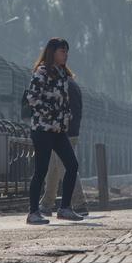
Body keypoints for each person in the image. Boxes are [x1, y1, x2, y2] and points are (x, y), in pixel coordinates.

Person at [25, 38, 84, 225]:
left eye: (66, 52)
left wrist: (66, 117)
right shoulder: (42, 72)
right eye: (62, 52)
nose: (65, 55)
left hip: (58, 130)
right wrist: (51, 113)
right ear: (53, 53)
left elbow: (64, 102)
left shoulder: (61, 74)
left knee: (72, 165)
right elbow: (32, 99)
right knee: (41, 170)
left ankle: (65, 208)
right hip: (43, 129)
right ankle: (33, 212)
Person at [38, 75, 90, 217]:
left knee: (65, 167)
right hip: (68, 131)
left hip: (62, 132)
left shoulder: (61, 85)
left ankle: (79, 203)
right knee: (53, 167)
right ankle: (46, 204)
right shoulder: (72, 84)